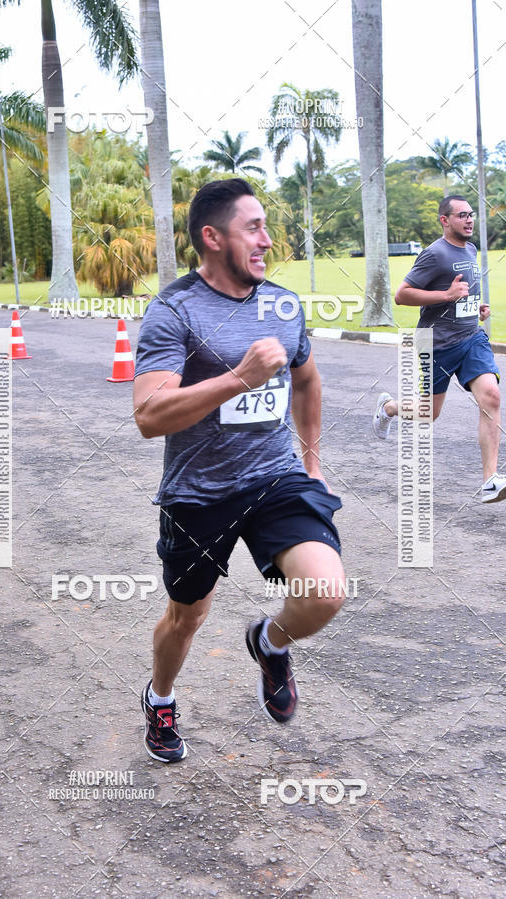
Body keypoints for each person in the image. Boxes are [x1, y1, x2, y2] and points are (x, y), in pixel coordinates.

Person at [133, 178, 345, 763]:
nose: (267, 239)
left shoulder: (282, 304)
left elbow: (307, 379)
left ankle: (270, 643)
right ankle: (161, 696)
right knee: (187, 617)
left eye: (265, 228)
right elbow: (149, 416)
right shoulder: (174, 310)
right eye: (253, 227)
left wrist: (312, 463)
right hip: (199, 493)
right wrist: (237, 379)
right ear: (213, 237)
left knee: (324, 592)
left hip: (275, 477)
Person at [372, 195, 505, 504]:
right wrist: (446, 295)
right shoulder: (434, 254)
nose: (469, 220)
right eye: (462, 215)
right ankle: (389, 408)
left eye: (471, 214)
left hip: (472, 337)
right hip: (437, 344)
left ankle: (490, 481)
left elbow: (462, 292)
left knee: (492, 396)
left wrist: (475, 307)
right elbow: (402, 295)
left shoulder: (470, 248)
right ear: (445, 220)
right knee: (430, 412)